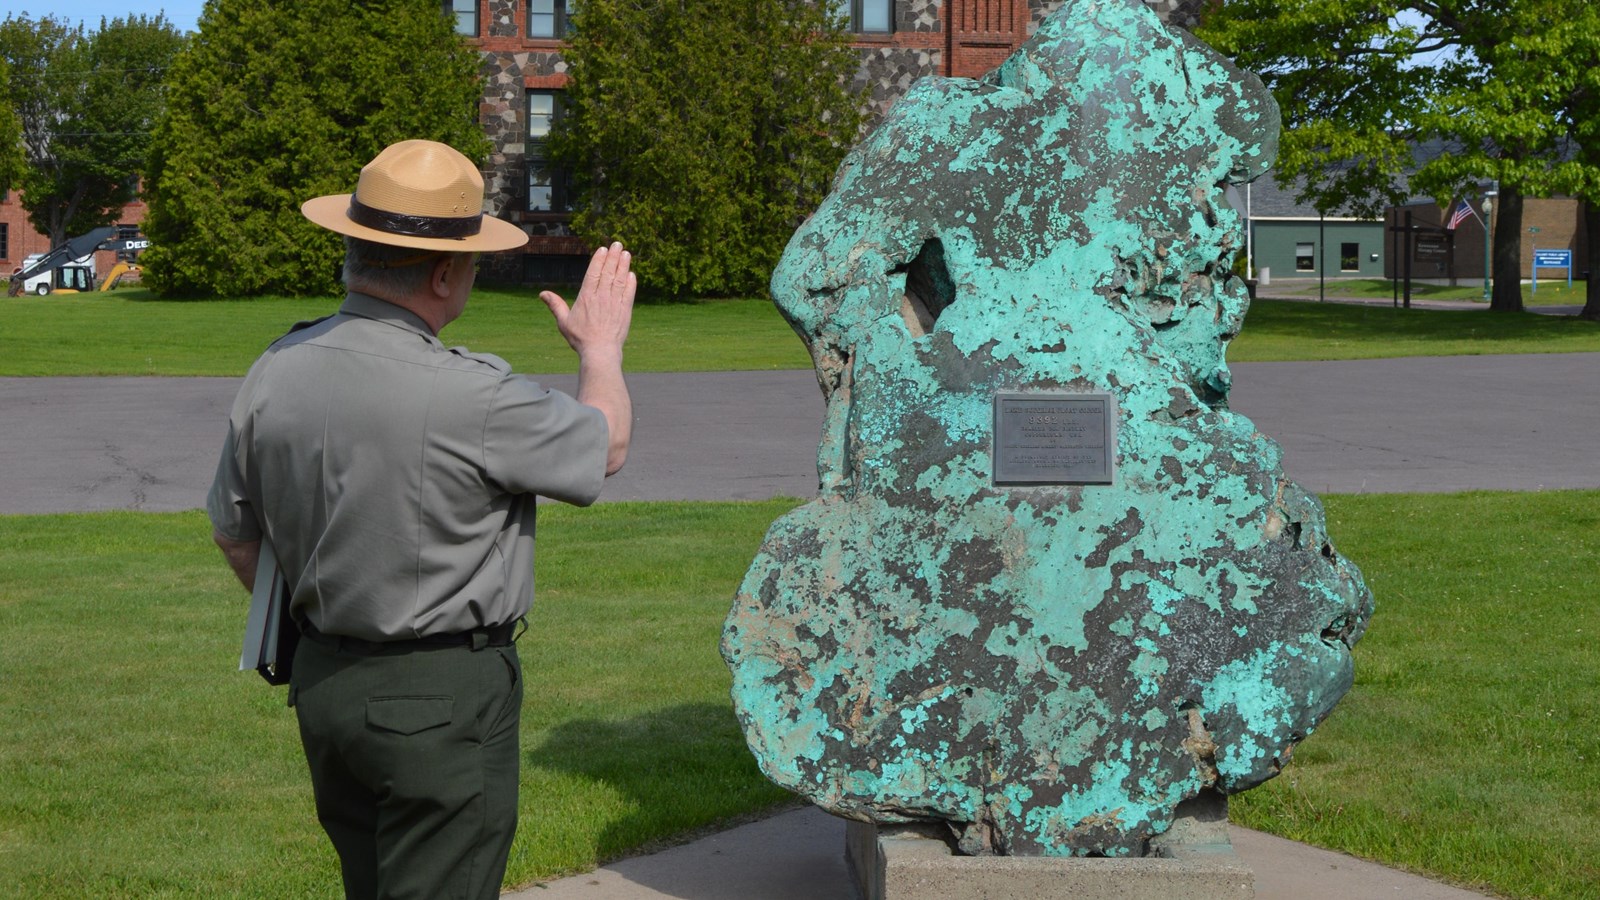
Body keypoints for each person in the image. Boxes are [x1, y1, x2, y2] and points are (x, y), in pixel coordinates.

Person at [206, 139, 635, 899]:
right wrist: (600, 349)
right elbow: (604, 445)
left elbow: (236, 533)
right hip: (439, 698)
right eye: (469, 264)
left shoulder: (276, 368)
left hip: (325, 684)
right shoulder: (471, 394)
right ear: (443, 273)